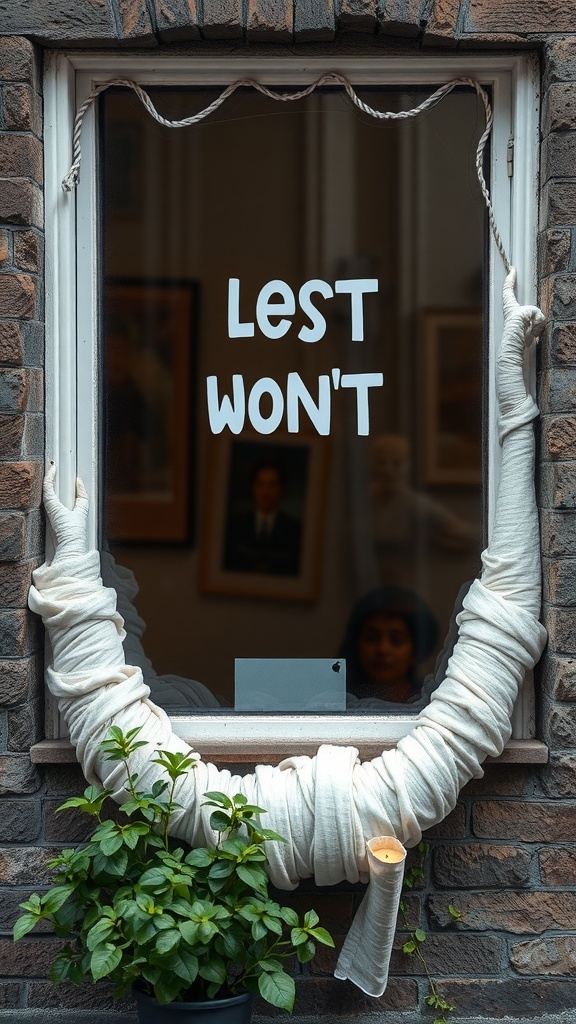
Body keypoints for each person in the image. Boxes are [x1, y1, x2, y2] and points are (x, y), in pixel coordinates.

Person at [340, 586, 439, 705]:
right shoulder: (342, 702)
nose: (383, 649)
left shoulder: (431, 702)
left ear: (415, 650)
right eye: (371, 638)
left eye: (397, 640)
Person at [223, 459, 302, 576]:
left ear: (281, 489)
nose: (266, 492)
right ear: (253, 488)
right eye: (261, 484)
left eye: (272, 485)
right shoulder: (234, 526)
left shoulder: (295, 530)